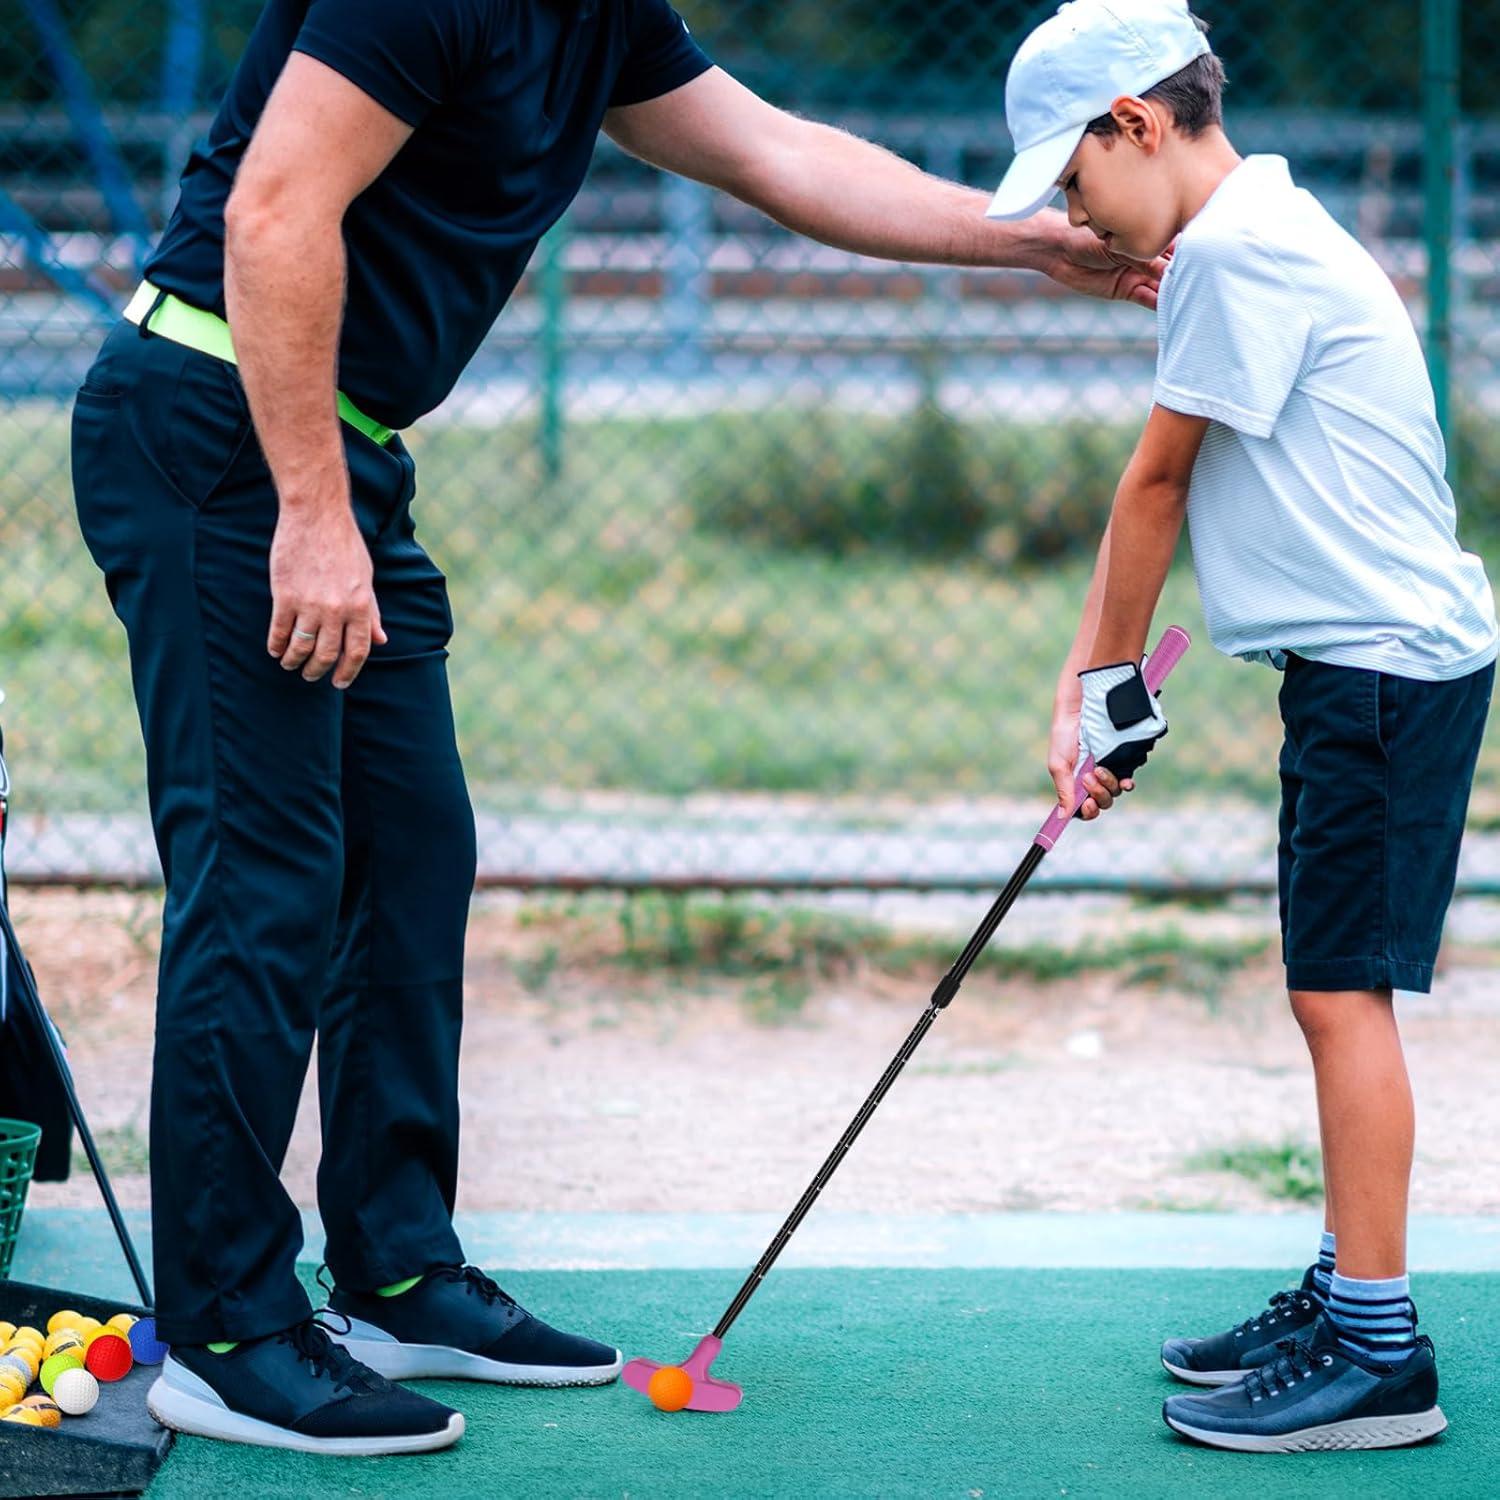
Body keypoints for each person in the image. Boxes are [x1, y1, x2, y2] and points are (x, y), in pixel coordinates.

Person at [70, 0, 1164, 1457]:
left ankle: (397, 1275)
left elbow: (774, 152)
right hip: (225, 433)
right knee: (267, 883)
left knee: (410, 861)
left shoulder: (597, 14)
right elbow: (275, 209)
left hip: (341, 449)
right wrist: (312, 515)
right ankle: (227, 1331)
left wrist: (1023, 237)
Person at [988, 0, 1497, 1454]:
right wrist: (1102, 695)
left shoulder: (1233, 253)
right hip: (1364, 669)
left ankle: (1381, 1354)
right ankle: (1349, 1293)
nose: (1078, 219)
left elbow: (1151, 490)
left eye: (1074, 181)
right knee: (1331, 985)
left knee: (1343, 995)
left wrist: (1095, 698)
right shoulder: (1251, 236)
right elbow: (1192, 477)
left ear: (1135, 124)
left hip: (1381, 673)